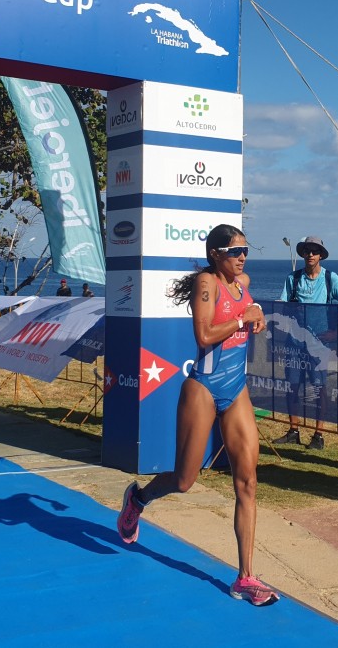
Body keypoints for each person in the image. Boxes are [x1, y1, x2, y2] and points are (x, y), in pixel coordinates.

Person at [116, 224, 279, 607]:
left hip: (235, 389)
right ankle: (138, 500)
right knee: (185, 479)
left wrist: (258, 315)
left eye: (245, 250)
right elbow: (203, 336)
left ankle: (245, 578)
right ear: (215, 255)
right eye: (234, 251)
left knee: (248, 481)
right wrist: (244, 318)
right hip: (203, 388)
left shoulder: (243, 282)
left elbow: (249, 311)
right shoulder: (207, 284)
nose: (242, 257)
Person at [273, 236, 338, 450]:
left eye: (315, 251)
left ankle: (319, 435)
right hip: (294, 343)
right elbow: (282, 304)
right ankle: (293, 431)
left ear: (321, 255)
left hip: (319, 345)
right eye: (307, 250)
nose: (310, 254)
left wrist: (336, 332)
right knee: (292, 386)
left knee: (319, 388)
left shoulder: (330, 278)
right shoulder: (293, 278)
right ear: (302, 253)